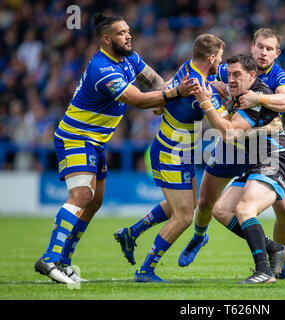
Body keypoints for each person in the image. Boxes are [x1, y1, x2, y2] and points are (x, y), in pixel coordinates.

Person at [34, 14, 199, 284]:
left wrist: (165, 94)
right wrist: (172, 94)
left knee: (95, 200)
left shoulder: (130, 58)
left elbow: (154, 80)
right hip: (76, 137)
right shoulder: (103, 69)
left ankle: (64, 261)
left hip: (95, 141)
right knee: (81, 195)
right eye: (122, 33)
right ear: (107, 39)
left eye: (129, 31)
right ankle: (50, 258)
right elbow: (137, 99)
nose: (128, 36)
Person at [178, 28, 285, 281]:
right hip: (241, 149)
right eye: (260, 47)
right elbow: (208, 81)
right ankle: (199, 237)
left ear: (276, 54)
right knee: (211, 206)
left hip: (267, 151)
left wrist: (254, 99)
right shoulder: (233, 73)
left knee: (279, 210)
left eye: (269, 49)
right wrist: (209, 89)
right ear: (252, 48)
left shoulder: (272, 81)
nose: (264, 52)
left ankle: (276, 268)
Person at [115, 34, 226, 283]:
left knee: (190, 203)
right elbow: (221, 125)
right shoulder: (200, 87)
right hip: (172, 153)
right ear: (211, 58)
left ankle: (132, 233)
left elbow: (168, 88)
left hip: (176, 149)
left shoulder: (188, 68)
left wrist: (167, 100)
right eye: (219, 57)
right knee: (184, 216)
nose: (221, 61)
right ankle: (146, 269)